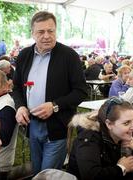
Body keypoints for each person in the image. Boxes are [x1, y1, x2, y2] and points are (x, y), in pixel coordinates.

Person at [12, 11, 87, 174]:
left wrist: (54, 106)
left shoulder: (69, 56)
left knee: (48, 174)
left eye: (50, 31)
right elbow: (16, 87)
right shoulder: (24, 55)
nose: (46, 36)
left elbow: (81, 91)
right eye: (41, 32)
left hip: (58, 125)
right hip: (31, 125)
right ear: (32, 33)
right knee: (36, 171)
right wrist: (20, 107)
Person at [67, 97, 133, 180]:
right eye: (126, 123)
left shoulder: (128, 132)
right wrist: (121, 168)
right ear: (109, 124)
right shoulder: (89, 138)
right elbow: (91, 176)